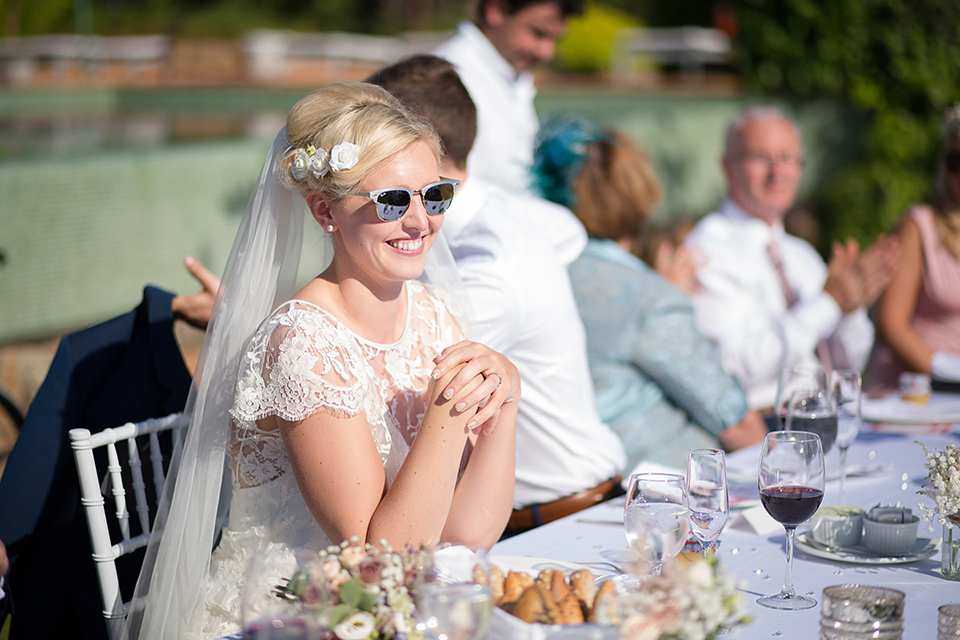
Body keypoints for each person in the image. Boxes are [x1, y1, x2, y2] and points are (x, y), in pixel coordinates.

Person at [125, 82, 519, 640]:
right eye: (391, 201)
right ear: (324, 210)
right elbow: (377, 559)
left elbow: (469, 533)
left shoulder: (433, 315)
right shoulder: (301, 343)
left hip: (393, 607)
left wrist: (508, 400)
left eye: (435, 196)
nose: (419, 221)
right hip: (288, 616)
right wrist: (450, 411)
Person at [366, 56, 626, 536]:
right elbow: (567, 230)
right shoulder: (496, 213)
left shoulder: (488, 268)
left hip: (555, 522)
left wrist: (302, 335)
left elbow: (388, 394)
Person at [532, 117, 766, 471]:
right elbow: (734, 421)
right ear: (641, 195)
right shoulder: (651, 301)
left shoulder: (536, 273)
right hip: (665, 484)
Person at [684, 105, 899, 412]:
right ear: (728, 167)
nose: (777, 172)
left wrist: (850, 307)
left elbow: (847, 364)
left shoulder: (801, 254)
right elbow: (733, 368)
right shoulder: (707, 250)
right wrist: (829, 303)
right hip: (763, 430)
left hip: (827, 416)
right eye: (761, 157)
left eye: (788, 158)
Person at [434, 0, 583, 195]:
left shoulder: (513, 75)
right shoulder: (443, 79)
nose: (547, 52)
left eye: (555, 39)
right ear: (497, 9)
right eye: (538, 32)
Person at [864, 104, 960, 395]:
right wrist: (947, 379)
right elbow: (891, 326)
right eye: (957, 161)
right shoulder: (919, 225)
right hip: (916, 395)